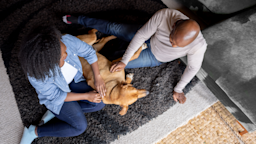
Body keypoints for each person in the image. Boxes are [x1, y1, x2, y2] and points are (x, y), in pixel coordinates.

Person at [63, 8, 207, 104]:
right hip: (148, 36)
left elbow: (193, 68)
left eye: (178, 46)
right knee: (114, 28)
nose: (173, 46)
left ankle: (116, 46)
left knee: (111, 62)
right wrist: (125, 61)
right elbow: (141, 35)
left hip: (154, 56)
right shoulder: (165, 15)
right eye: (172, 41)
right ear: (174, 25)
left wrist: (179, 89)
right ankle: (80, 19)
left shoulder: (199, 45)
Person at [19, 26, 106, 144]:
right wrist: (86, 96)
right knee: (79, 126)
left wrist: (98, 77)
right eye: (62, 55)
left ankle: (61, 113)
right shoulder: (37, 75)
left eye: (65, 50)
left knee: (99, 103)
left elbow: (89, 52)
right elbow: (56, 96)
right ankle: (34, 131)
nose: (66, 54)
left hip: (75, 80)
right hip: (57, 96)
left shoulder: (66, 41)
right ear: (48, 63)